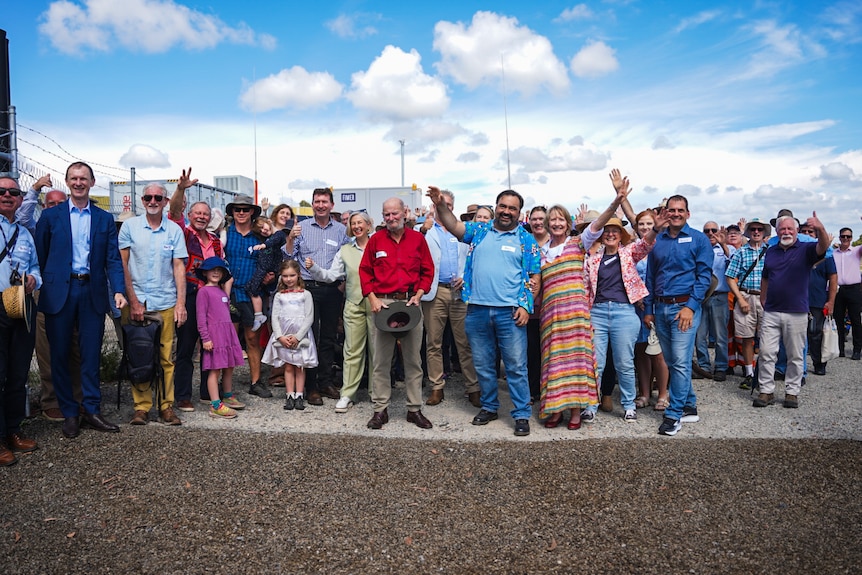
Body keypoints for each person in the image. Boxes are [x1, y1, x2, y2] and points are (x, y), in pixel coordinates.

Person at [427, 186, 540, 437]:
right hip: (477, 310)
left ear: (520, 213)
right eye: (503, 206)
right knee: (483, 364)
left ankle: (521, 414)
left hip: (510, 313)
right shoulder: (479, 231)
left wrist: (525, 305)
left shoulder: (526, 239)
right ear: (496, 207)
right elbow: (453, 225)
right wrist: (439, 205)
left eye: (512, 208)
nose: (507, 211)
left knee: (515, 366)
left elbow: (535, 277)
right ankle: (489, 406)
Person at [35, 162, 127, 439]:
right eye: (73, 178)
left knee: (90, 354)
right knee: (60, 354)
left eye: (83, 178)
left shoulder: (103, 218)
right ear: (67, 181)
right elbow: (41, 254)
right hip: (59, 293)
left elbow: (112, 258)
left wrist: (118, 290)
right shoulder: (51, 218)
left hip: (91, 292)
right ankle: (70, 413)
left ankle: (91, 409)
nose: (78, 183)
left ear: (92, 181)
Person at [540, 171, 635, 429]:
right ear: (548, 224)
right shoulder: (541, 251)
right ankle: (556, 411)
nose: (557, 223)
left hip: (576, 316)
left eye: (561, 219)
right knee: (555, 363)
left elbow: (600, 222)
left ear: (568, 222)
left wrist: (617, 200)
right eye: (553, 219)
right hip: (551, 317)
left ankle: (574, 412)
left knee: (576, 363)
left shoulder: (578, 242)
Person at [359, 197, 435, 430]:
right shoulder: (375, 241)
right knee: (381, 362)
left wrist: (420, 294)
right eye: (386, 214)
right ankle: (380, 409)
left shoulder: (418, 239)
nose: (391, 218)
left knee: (413, 361)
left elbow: (428, 270)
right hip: (383, 304)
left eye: (394, 213)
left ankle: (414, 409)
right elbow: (365, 271)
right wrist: (372, 298)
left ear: (404, 213)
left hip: (411, 303)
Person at [586, 200, 663, 424]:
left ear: (621, 235)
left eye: (614, 231)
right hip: (598, 312)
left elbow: (646, 243)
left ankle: (629, 405)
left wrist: (656, 227)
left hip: (624, 312)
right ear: (601, 236)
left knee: (624, 362)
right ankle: (591, 404)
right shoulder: (592, 260)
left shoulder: (628, 253)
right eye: (606, 231)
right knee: (596, 362)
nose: (610, 235)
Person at [643, 194, 713, 436]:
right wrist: (650, 309)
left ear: (688, 213)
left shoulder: (699, 240)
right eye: (671, 210)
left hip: (684, 309)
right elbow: (650, 276)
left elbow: (704, 277)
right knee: (673, 361)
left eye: (680, 210)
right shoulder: (658, 242)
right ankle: (689, 404)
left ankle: (674, 415)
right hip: (661, 308)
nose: (675, 214)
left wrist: (690, 307)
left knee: (681, 362)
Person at [119, 183, 188, 426]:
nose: (153, 200)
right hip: (137, 300)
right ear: (142, 199)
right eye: (148, 196)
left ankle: (166, 407)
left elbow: (179, 267)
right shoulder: (130, 227)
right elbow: (123, 266)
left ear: (165, 201)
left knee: (167, 357)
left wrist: (181, 304)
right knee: (139, 354)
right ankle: (141, 407)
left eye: (158, 197)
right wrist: (134, 301)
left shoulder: (174, 231)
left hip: (165, 300)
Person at [754, 213, 829, 408]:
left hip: (796, 311)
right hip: (772, 311)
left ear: (796, 231)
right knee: (766, 352)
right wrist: (763, 296)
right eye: (782, 229)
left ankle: (792, 392)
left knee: (795, 354)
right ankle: (766, 391)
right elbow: (766, 276)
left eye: (790, 228)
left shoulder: (807, 249)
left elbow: (823, 247)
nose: (786, 232)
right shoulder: (771, 251)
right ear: (777, 232)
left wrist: (820, 228)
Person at [168, 168, 227, 411]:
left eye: (205, 214)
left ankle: (207, 391)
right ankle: (182, 395)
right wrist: (181, 188)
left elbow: (221, 269)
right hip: (191, 295)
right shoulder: (182, 231)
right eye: (197, 213)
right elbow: (173, 211)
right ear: (190, 214)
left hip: (211, 297)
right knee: (186, 346)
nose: (201, 217)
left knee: (209, 345)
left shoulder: (214, 240)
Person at [285, 188, 349, 406]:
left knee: (329, 336)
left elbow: (347, 259)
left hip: (332, 290)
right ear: (312, 205)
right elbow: (289, 257)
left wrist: (342, 283)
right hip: (308, 289)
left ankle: (325, 381)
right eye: (317, 201)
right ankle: (310, 387)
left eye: (324, 201)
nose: (320, 205)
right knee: (309, 336)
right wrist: (290, 239)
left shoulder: (341, 230)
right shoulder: (301, 228)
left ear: (331, 205)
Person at [306, 211, 374, 412]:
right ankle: (348, 394)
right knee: (352, 351)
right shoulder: (345, 250)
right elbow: (332, 275)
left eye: (360, 222)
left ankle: (376, 393)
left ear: (369, 225)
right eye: (353, 223)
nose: (356, 226)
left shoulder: (378, 245)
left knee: (378, 352)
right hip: (353, 304)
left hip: (377, 304)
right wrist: (315, 269)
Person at [421, 190, 481, 408]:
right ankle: (436, 386)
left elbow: (471, 259)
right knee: (433, 343)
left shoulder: (462, 231)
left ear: (452, 208)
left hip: (459, 292)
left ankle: (473, 387)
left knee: (465, 343)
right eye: (438, 203)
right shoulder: (427, 231)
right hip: (435, 292)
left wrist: (465, 278)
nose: (441, 206)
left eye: (446, 203)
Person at [0, 174, 42, 465]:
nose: (7, 195)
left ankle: (13, 430)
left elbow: (36, 268)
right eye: (2, 191)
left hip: (21, 307)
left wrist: (32, 279)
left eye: (14, 191)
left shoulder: (25, 233)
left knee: (17, 373)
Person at [222, 195, 271, 398]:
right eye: (237, 210)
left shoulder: (260, 236)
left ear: (252, 212)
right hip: (229, 292)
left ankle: (255, 381)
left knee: (252, 338)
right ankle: (225, 385)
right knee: (228, 338)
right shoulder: (224, 234)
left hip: (252, 293)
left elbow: (270, 260)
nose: (241, 213)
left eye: (245, 209)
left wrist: (271, 274)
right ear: (232, 212)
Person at [263, 260, 318, 410]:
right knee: (288, 366)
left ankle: (299, 394)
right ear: (281, 276)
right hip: (285, 334)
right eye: (285, 276)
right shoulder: (280, 296)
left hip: (301, 335)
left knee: (300, 366)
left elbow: (309, 317)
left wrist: (298, 336)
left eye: (292, 275)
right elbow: (274, 317)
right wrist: (279, 336)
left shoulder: (305, 294)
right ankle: (289, 395)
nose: (289, 279)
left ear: (298, 275)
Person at [195, 257, 245, 419]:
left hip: (227, 335)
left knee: (229, 366)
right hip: (214, 336)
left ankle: (228, 395)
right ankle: (215, 404)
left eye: (219, 270)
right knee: (215, 370)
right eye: (212, 269)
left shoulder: (221, 291)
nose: (216, 272)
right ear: (205, 272)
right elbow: (201, 318)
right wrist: (205, 338)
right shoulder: (203, 292)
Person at [631, 209, 669, 411]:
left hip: (655, 306)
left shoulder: (661, 247)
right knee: (641, 352)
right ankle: (644, 393)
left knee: (658, 353)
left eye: (648, 224)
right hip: (636, 307)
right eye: (641, 224)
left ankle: (662, 394)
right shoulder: (631, 249)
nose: (644, 228)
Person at [725, 218, 770, 390]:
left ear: (764, 232)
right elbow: (730, 277)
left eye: (760, 229)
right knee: (746, 337)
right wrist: (741, 299)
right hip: (746, 296)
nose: (756, 232)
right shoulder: (741, 252)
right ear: (749, 232)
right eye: (753, 229)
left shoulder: (771, 251)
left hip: (767, 297)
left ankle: (764, 372)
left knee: (768, 337)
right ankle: (749, 373)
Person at [694, 222, 736, 381]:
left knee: (720, 335)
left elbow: (733, 264)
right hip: (701, 296)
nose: (710, 233)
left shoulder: (727, 248)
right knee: (700, 335)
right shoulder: (699, 249)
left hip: (720, 295)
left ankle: (720, 366)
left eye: (713, 230)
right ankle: (703, 366)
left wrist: (723, 244)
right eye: (707, 231)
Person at [799, 223, 837, 375]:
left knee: (815, 333)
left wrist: (831, 301)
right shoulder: (797, 252)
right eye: (804, 231)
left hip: (817, 299)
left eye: (811, 232)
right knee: (797, 335)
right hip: (797, 299)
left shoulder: (827, 254)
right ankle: (797, 367)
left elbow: (833, 278)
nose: (808, 234)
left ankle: (819, 363)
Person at [249, 203, 294, 331]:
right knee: (271, 311)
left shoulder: (282, 233)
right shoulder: (267, 232)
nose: (285, 215)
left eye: (287, 213)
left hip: (282, 274)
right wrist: (264, 211)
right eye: (282, 212)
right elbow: (263, 224)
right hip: (268, 274)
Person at [526, 205, 549, 401]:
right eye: (534, 219)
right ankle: (533, 391)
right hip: (530, 308)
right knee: (531, 351)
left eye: (541, 218)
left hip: (551, 308)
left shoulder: (555, 244)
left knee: (549, 352)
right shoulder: (524, 243)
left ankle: (549, 390)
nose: (538, 222)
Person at [832, 226, 862, 359]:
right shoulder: (834, 253)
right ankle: (840, 349)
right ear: (839, 237)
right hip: (838, 290)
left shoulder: (856, 251)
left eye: (848, 236)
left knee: (856, 320)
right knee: (838, 320)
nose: (845, 239)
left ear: (851, 238)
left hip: (854, 289)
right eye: (843, 236)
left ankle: (857, 349)